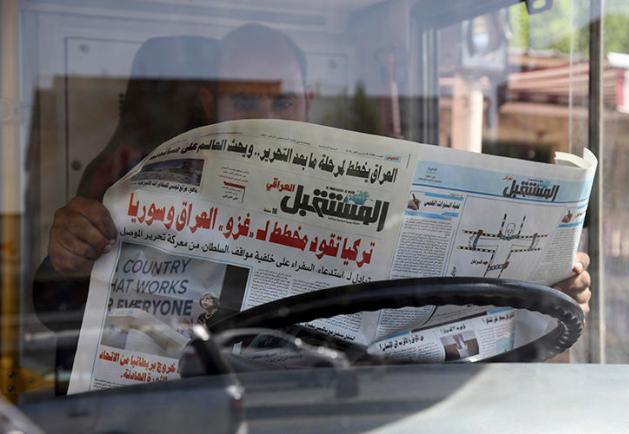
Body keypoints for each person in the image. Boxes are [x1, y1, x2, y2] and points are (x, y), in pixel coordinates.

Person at [34, 24, 592, 389]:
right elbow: (56, 313)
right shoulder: (147, 177)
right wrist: (66, 260)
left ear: (305, 99)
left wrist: (548, 288)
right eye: (245, 100)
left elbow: (447, 294)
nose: (267, 111)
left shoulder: (368, 181)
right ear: (211, 103)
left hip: (351, 404)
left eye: (281, 98)